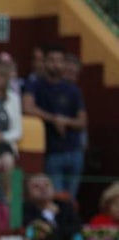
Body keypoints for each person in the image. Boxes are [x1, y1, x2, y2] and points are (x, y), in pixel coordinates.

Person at [22, 44, 86, 198]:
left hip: (74, 150)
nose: (55, 64)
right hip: (52, 151)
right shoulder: (34, 84)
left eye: (59, 60)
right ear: (43, 62)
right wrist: (53, 119)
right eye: (51, 60)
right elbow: (27, 108)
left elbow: (82, 121)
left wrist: (64, 121)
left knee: (71, 199)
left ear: (64, 63)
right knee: (57, 197)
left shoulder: (73, 89)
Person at [21, 172, 79, 240]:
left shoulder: (65, 207)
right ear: (27, 193)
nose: (43, 189)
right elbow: (34, 232)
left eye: (47, 185)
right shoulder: (25, 211)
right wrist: (48, 216)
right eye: (36, 186)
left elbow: (76, 228)